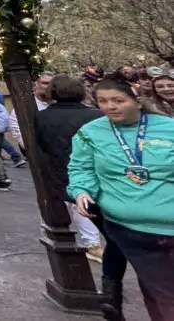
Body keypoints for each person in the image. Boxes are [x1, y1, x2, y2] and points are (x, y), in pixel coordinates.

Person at [70, 80, 174, 321]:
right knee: (165, 291)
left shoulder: (168, 128)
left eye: (118, 100)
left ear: (137, 100)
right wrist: (82, 191)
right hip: (131, 228)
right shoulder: (90, 133)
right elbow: (81, 168)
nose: (110, 107)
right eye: (103, 101)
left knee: (156, 289)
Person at [33, 76, 127, 318]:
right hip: (105, 182)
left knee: (114, 235)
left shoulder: (43, 117)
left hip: (68, 179)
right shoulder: (96, 116)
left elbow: (40, 146)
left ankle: (111, 291)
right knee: (118, 237)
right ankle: (112, 291)